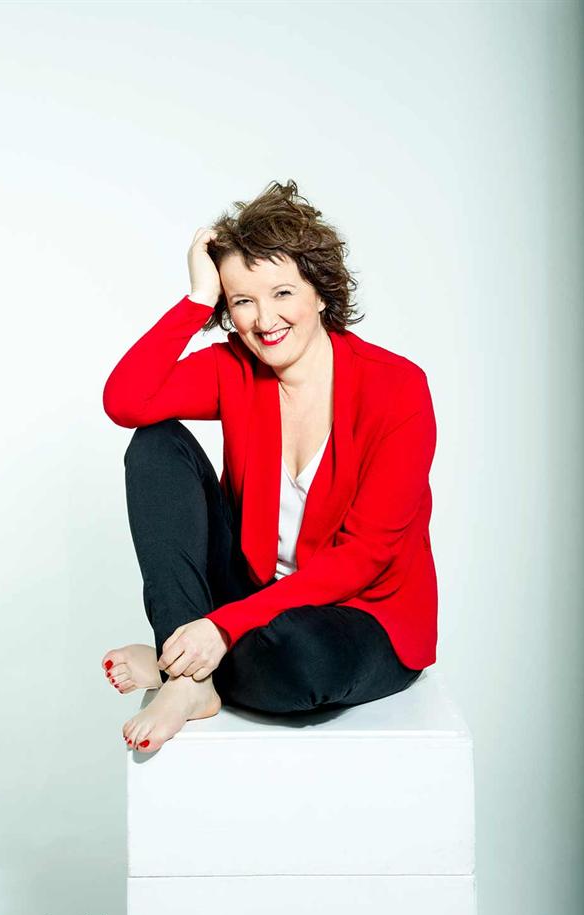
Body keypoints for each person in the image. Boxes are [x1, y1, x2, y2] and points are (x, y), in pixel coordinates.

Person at [101, 179, 438, 754]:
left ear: (320, 292)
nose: (264, 319)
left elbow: (365, 557)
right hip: (248, 592)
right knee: (155, 445)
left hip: (357, 612)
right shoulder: (234, 368)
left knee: (301, 662)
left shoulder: (397, 389)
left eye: (282, 292)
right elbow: (126, 402)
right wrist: (196, 300)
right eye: (242, 301)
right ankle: (189, 679)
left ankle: (174, 660)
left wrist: (222, 626)